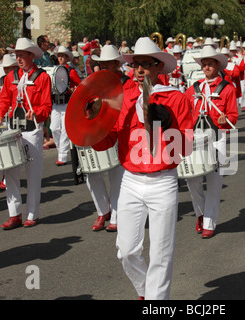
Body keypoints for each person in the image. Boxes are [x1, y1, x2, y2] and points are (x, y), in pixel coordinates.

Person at [92, 37, 193, 299]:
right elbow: (107, 141)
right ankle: (147, 291)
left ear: (159, 67)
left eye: (146, 64)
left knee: (161, 253)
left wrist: (167, 123)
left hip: (163, 181)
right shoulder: (122, 98)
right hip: (131, 181)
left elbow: (185, 148)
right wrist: (91, 124)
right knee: (125, 251)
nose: (138, 70)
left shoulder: (176, 98)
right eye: (135, 64)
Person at [0, 37, 52, 229]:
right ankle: (14, 214)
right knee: (10, 171)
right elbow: (4, 100)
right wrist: (0, 115)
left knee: (33, 174)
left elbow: (47, 105)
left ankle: (32, 214)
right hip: (13, 128)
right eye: (16, 55)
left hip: (33, 129)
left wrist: (36, 113)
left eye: (21, 55)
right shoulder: (10, 77)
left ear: (31, 56)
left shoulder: (43, 77)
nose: (18, 58)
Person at [184, 45, 238, 239]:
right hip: (196, 139)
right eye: (204, 64)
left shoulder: (228, 89)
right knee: (193, 178)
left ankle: (209, 222)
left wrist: (226, 119)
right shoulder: (193, 89)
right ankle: (200, 213)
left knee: (215, 182)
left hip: (217, 138)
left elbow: (233, 117)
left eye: (210, 64)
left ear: (217, 65)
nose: (206, 67)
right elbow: (183, 112)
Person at [85, 45, 136, 231]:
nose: (105, 66)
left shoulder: (128, 83)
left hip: (119, 130)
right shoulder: (93, 83)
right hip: (100, 131)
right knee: (91, 174)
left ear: (116, 64)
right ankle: (102, 211)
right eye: (102, 63)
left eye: (108, 63)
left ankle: (116, 214)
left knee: (117, 176)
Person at [51, 46, 82, 166]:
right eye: (59, 56)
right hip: (55, 103)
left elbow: (79, 85)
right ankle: (60, 151)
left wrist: (73, 90)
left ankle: (62, 155)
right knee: (54, 128)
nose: (60, 58)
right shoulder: (54, 70)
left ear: (67, 58)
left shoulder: (71, 71)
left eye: (62, 56)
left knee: (65, 129)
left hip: (67, 103)